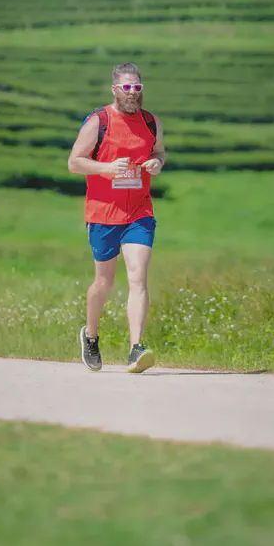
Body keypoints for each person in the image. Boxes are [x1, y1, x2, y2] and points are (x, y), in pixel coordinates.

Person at [68, 62, 166, 374]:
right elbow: (74, 162)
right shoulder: (100, 121)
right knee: (104, 282)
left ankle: (136, 349)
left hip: (139, 211)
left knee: (138, 275)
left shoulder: (151, 122)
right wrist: (107, 169)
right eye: (127, 87)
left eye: (137, 87)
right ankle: (91, 335)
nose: (133, 93)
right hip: (103, 213)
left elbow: (160, 152)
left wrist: (156, 163)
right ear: (115, 89)